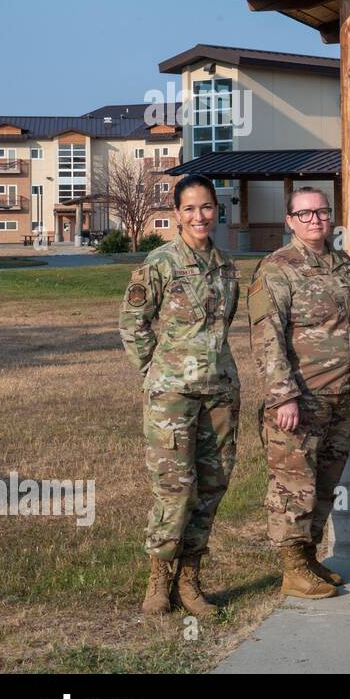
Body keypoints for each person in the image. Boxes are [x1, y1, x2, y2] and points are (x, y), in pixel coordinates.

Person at [119, 173, 240, 619]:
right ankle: (160, 578)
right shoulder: (160, 263)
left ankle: (191, 580)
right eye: (189, 209)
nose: (199, 216)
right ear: (176, 214)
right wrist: (155, 371)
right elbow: (133, 322)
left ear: (216, 209)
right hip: (172, 396)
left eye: (206, 207)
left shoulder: (227, 267)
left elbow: (222, 329)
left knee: (211, 487)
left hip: (220, 394)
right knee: (175, 489)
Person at [249, 186, 350, 600]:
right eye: (305, 214)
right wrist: (282, 395)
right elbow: (267, 336)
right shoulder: (276, 269)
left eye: (322, 212)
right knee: (292, 483)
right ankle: (292, 567)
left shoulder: (344, 265)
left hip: (343, 395)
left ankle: (311, 555)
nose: (315, 220)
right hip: (302, 398)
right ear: (289, 221)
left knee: (324, 482)